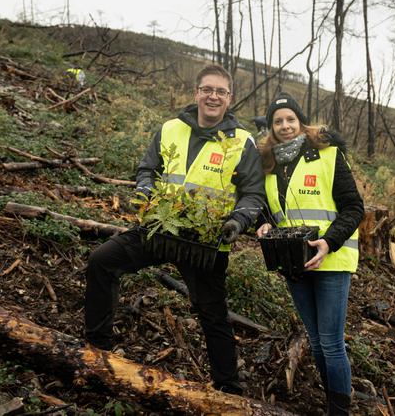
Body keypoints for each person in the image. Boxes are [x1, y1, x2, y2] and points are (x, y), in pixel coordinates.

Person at [84, 64, 265, 395]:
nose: (213, 96)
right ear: (196, 92)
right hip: (160, 228)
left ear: (230, 98)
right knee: (101, 261)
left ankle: (228, 389)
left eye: (220, 91)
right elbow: (147, 170)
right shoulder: (171, 129)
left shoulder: (242, 142)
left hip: (206, 241)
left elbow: (254, 194)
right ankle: (97, 352)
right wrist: (144, 194)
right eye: (207, 89)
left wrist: (237, 222)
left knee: (213, 315)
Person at [255, 92, 364, 415]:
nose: (285, 126)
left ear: (301, 122)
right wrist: (261, 225)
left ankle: (339, 410)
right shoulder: (269, 163)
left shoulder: (328, 155)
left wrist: (329, 242)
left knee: (331, 343)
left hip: (331, 259)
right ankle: (333, 397)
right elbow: (265, 209)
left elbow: (353, 208)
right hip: (294, 261)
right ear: (271, 128)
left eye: (291, 119)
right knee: (316, 342)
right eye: (278, 121)